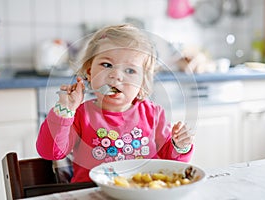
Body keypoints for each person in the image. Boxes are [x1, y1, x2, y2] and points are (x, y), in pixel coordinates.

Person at [36, 24, 195, 183]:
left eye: (130, 70)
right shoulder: (79, 115)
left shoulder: (154, 114)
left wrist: (180, 146)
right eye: (107, 65)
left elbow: (173, 163)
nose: (116, 75)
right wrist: (64, 111)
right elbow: (50, 152)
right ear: (90, 72)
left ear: (141, 82)